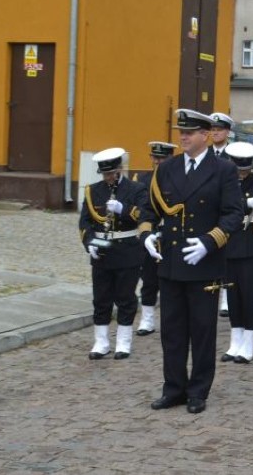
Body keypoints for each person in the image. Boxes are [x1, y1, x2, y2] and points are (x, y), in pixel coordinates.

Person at [143, 109, 244, 414]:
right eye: (181, 132)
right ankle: (173, 388)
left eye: (189, 133)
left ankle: (198, 390)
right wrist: (146, 235)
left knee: (202, 331)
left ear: (206, 135)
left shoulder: (223, 169)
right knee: (172, 331)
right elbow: (150, 210)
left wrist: (209, 241)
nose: (183, 137)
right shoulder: (168, 168)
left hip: (204, 262)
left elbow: (233, 215)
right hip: (172, 261)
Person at [79, 147, 149, 360]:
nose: (109, 178)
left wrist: (123, 209)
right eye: (105, 174)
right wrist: (89, 242)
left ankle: (123, 342)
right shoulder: (93, 190)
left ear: (120, 169)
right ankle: (101, 342)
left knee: (125, 298)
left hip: (127, 249)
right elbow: (85, 222)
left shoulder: (136, 189)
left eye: (112, 173)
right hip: (102, 252)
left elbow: (144, 215)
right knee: (101, 298)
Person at [222, 141, 253, 364]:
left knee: (250, 295)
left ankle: (249, 342)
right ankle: (235, 341)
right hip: (230, 241)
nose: (241, 175)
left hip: (252, 245)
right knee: (233, 296)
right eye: (238, 170)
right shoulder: (224, 183)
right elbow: (222, 206)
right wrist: (245, 203)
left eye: (245, 170)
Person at [134, 141, 177, 336]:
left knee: (172, 279)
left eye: (162, 158)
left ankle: (172, 319)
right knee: (148, 279)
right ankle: (147, 319)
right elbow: (137, 209)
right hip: (149, 234)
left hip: (170, 235)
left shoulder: (177, 179)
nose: (158, 161)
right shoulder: (142, 179)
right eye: (155, 157)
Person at [211, 113, 234, 317]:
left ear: (227, 132)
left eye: (219, 129)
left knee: (226, 257)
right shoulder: (205, 153)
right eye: (213, 129)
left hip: (226, 211)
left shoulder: (234, 155)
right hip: (208, 211)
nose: (215, 132)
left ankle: (226, 298)